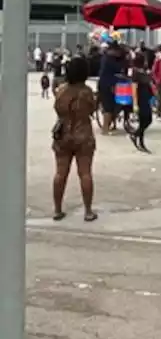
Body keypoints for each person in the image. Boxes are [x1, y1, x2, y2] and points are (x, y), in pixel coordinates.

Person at [51, 56, 99, 222]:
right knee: (85, 173)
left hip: (62, 134)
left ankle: (57, 210)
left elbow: (57, 108)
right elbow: (92, 110)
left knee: (60, 173)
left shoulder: (61, 90)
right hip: (83, 134)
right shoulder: (87, 92)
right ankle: (88, 211)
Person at [129, 53, 154, 153]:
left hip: (145, 99)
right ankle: (140, 141)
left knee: (148, 119)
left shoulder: (144, 72)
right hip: (140, 100)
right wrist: (135, 104)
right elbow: (134, 89)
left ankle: (136, 135)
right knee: (144, 120)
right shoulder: (135, 73)